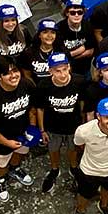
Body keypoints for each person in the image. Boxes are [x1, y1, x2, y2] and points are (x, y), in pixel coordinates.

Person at [0, 57, 36, 202]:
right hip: (1, 138)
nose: (13, 76)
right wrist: (6, 143)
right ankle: (0, 179)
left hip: (22, 132)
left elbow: (32, 109)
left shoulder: (26, 85)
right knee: (2, 162)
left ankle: (15, 168)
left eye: (15, 71)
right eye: (7, 73)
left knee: (21, 151)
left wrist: (32, 128)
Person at [37, 53, 86, 193]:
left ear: (69, 67)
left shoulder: (79, 81)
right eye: (57, 71)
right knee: (53, 149)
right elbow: (40, 109)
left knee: (73, 149)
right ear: (50, 71)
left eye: (64, 69)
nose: (62, 74)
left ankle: (73, 167)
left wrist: (82, 123)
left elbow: (82, 102)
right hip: (53, 127)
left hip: (73, 126)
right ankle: (54, 169)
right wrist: (42, 130)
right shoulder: (44, 85)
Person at [57, 0, 95, 75]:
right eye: (73, 13)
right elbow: (62, 55)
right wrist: (82, 50)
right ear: (67, 13)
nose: (76, 15)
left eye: (80, 12)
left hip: (87, 66)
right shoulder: (59, 28)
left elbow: (91, 50)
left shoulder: (87, 25)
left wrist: (71, 55)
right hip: (67, 69)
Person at [20, 18, 65, 84]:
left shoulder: (62, 50)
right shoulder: (29, 53)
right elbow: (27, 75)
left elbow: (68, 71)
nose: (49, 36)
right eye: (45, 32)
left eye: (53, 32)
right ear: (39, 35)